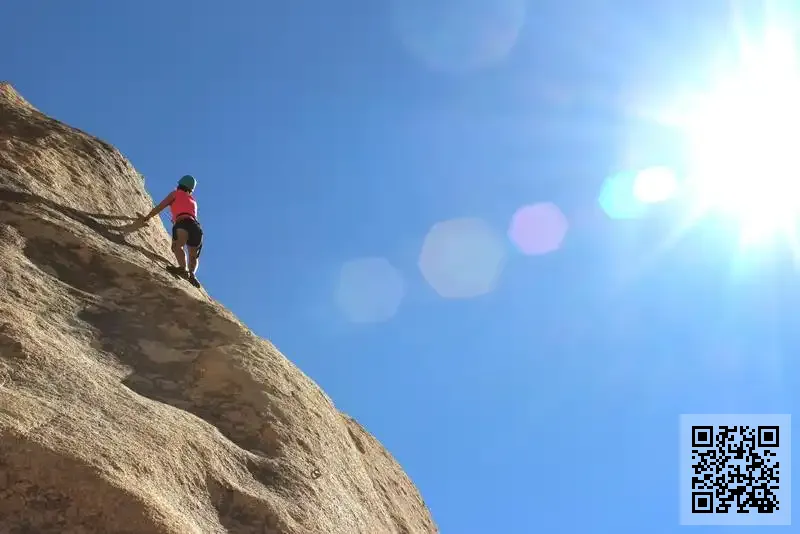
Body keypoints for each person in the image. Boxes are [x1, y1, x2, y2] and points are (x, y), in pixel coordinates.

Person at [126, 174, 203, 288]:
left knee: (178, 246)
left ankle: (183, 269)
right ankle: (192, 274)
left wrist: (147, 217)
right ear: (191, 189)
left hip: (182, 223)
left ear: (179, 184)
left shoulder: (175, 194)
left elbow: (161, 206)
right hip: (196, 227)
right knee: (193, 255)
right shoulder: (193, 200)